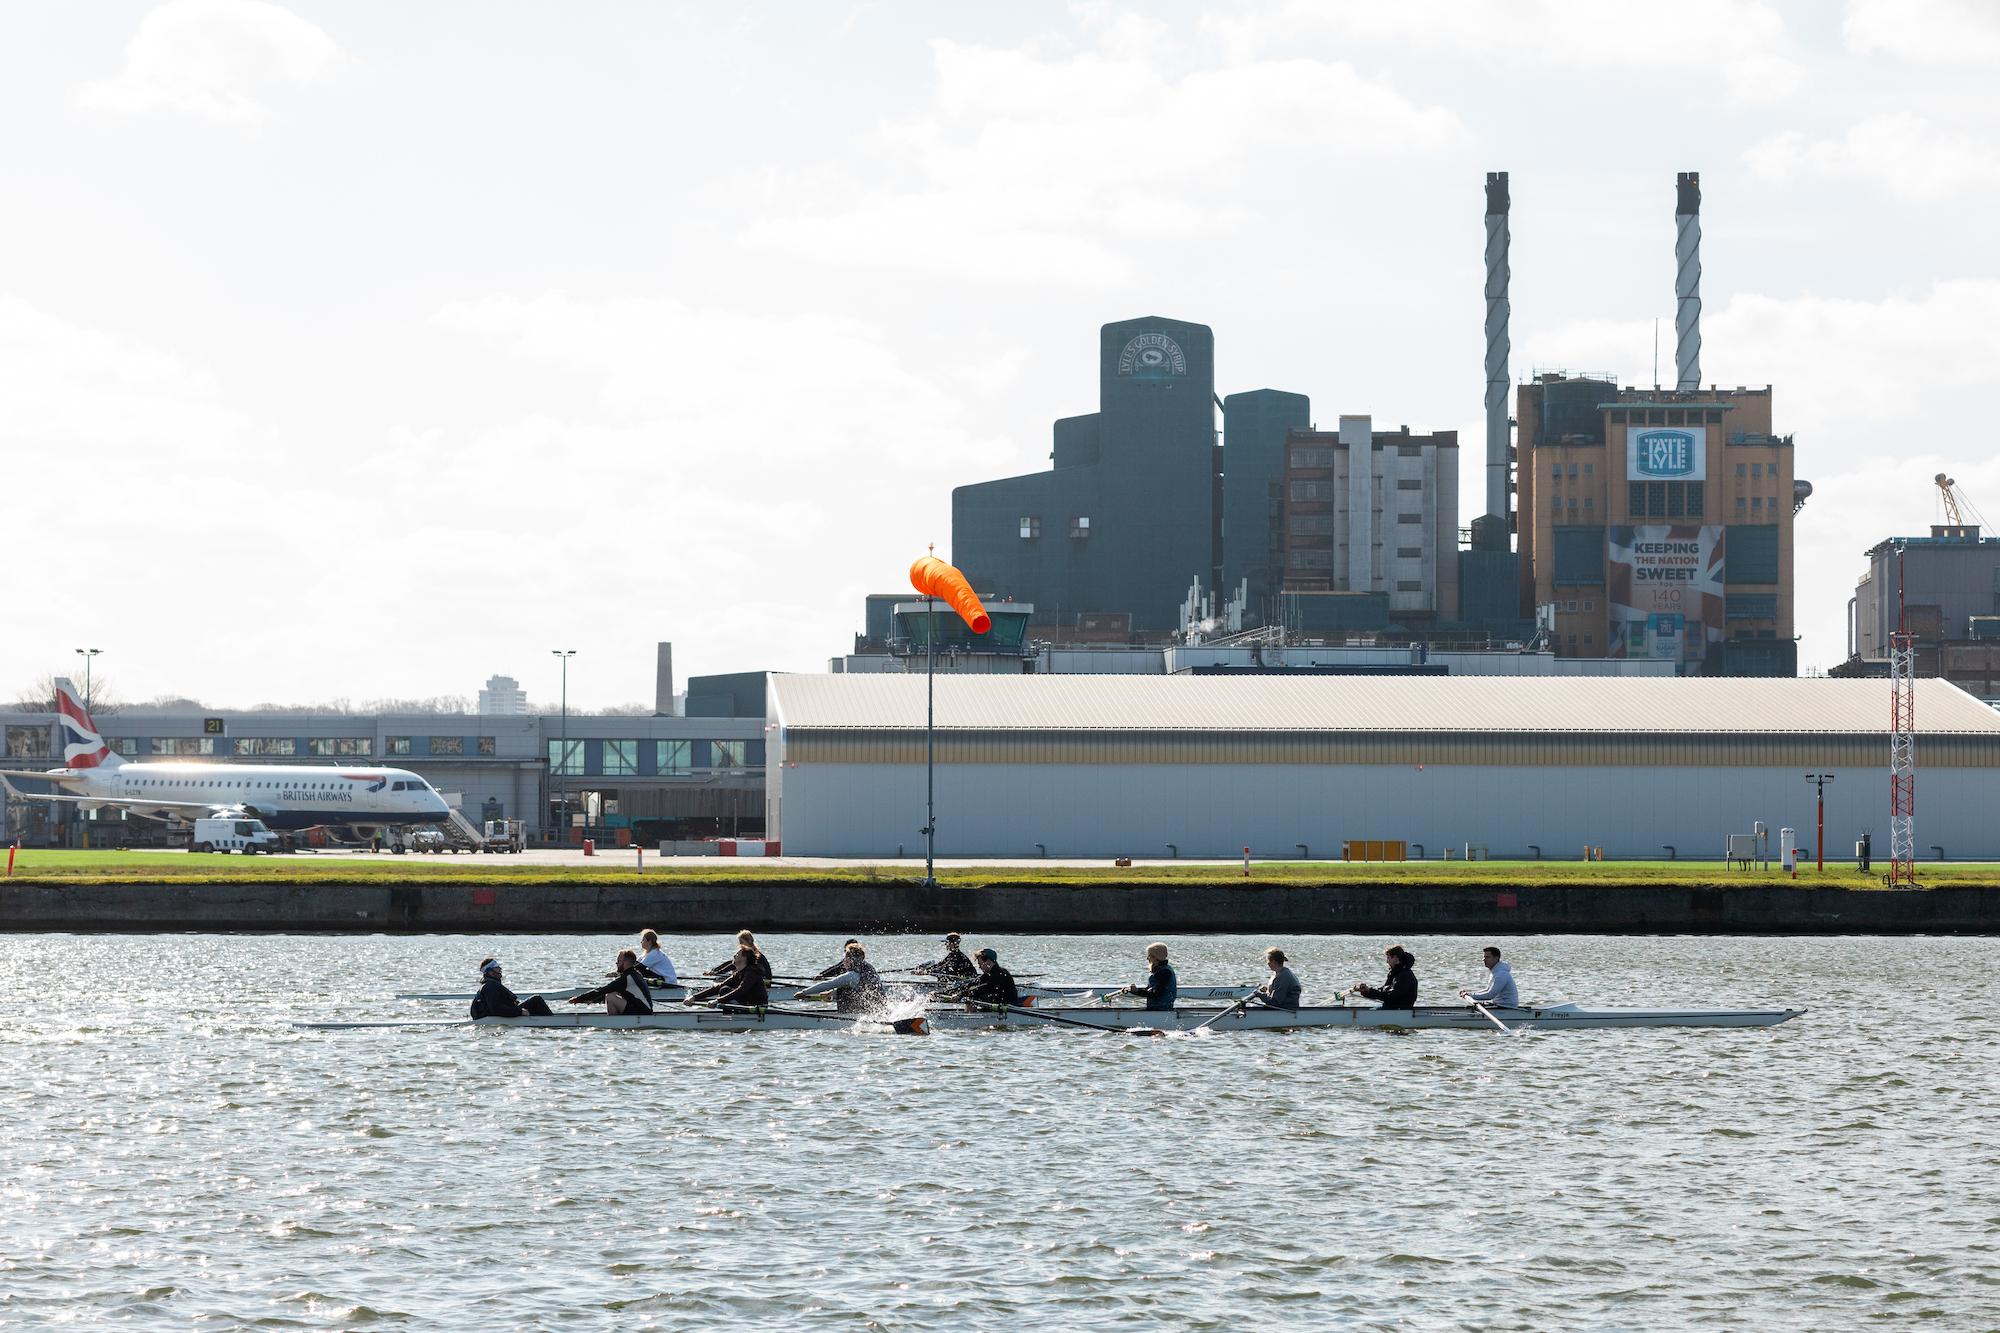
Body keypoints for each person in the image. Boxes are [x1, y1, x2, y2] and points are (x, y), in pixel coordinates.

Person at [791, 943, 886, 1013]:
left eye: (845, 958)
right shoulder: (868, 967)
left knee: (841, 990)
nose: (843, 961)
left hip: (864, 1011)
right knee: (842, 989)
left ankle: (845, 1015)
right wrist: (832, 993)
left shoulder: (851, 975)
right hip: (876, 1008)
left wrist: (804, 992)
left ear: (850, 959)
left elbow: (828, 984)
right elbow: (859, 987)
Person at [689, 930, 771, 1009]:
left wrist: (717, 1000)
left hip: (757, 1005)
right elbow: (718, 987)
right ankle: (729, 1014)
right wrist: (694, 997)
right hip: (748, 1000)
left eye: (737, 954)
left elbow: (740, 990)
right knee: (724, 989)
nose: (734, 956)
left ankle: (733, 1014)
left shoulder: (752, 972)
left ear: (744, 958)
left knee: (726, 990)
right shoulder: (740, 972)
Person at [566, 949, 654, 1015]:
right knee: (612, 994)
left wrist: (578, 999)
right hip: (642, 1009)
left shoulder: (626, 978)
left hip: (642, 1012)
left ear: (626, 962)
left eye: (619, 961)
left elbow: (603, 990)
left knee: (610, 996)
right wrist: (592, 999)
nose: (616, 963)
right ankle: (615, 1022)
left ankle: (613, 1024)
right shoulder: (635, 974)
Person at [470, 958, 553, 1018]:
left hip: (507, 1012)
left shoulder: (492, 984)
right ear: (491, 972)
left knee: (535, 1002)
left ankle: (546, 1019)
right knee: (536, 999)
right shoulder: (489, 987)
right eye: (497, 968)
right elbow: (496, 1009)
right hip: (495, 1016)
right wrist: (520, 1012)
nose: (500, 969)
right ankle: (552, 1021)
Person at [1348, 945, 1418, 1010]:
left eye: (1388, 958)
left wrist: (1370, 991)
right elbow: (1384, 991)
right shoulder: (1394, 973)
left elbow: (1391, 997)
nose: (1387, 961)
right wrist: (1367, 991)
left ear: (1396, 958)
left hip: (1399, 1010)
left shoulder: (1405, 976)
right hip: (1392, 1008)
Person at [953, 947, 1021, 1007]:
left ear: (988, 962)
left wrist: (962, 995)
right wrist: (958, 991)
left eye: (980, 963)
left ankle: (970, 1017)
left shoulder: (1000, 974)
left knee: (973, 996)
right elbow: (974, 983)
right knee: (972, 996)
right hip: (998, 1003)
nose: (979, 966)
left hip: (1009, 1006)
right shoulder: (989, 974)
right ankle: (969, 1016)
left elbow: (984, 988)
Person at [1123, 942, 1178, 1011]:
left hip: (1161, 1009)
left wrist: (1137, 991)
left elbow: (1155, 994)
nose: (1147, 958)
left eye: (1149, 955)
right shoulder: (1160, 970)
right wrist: (1133, 990)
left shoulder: (1165, 972)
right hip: (1157, 1008)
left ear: (1156, 957)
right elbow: (1150, 991)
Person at [1251, 947, 1302, 1012]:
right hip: (1281, 1007)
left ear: (1273, 961)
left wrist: (1259, 995)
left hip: (1286, 1010)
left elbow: (1275, 1002)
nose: (1267, 963)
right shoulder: (1280, 973)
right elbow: (1277, 994)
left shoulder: (1283, 977)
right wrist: (1267, 991)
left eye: (1267, 961)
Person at [910, 932, 977, 979]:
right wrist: (924, 970)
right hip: (961, 979)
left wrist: (925, 972)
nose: (945, 944)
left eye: (947, 943)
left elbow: (941, 968)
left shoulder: (958, 956)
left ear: (953, 943)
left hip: (967, 981)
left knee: (943, 973)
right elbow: (939, 965)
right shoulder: (953, 954)